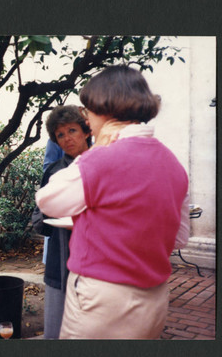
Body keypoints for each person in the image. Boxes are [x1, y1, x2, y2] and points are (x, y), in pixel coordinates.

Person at [36, 65, 190, 339]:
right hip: (154, 299)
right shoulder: (173, 164)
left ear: (103, 109)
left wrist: (95, 151)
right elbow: (179, 238)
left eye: (87, 111)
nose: (87, 120)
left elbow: (48, 201)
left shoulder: (100, 158)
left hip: (101, 300)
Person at [32, 105, 91, 339]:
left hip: (97, 262)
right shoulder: (54, 172)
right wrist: (52, 216)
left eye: (72, 130)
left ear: (87, 131)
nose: (67, 138)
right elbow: (39, 221)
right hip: (62, 259)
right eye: (60, 135)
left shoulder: (104, 165)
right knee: (56, 332)